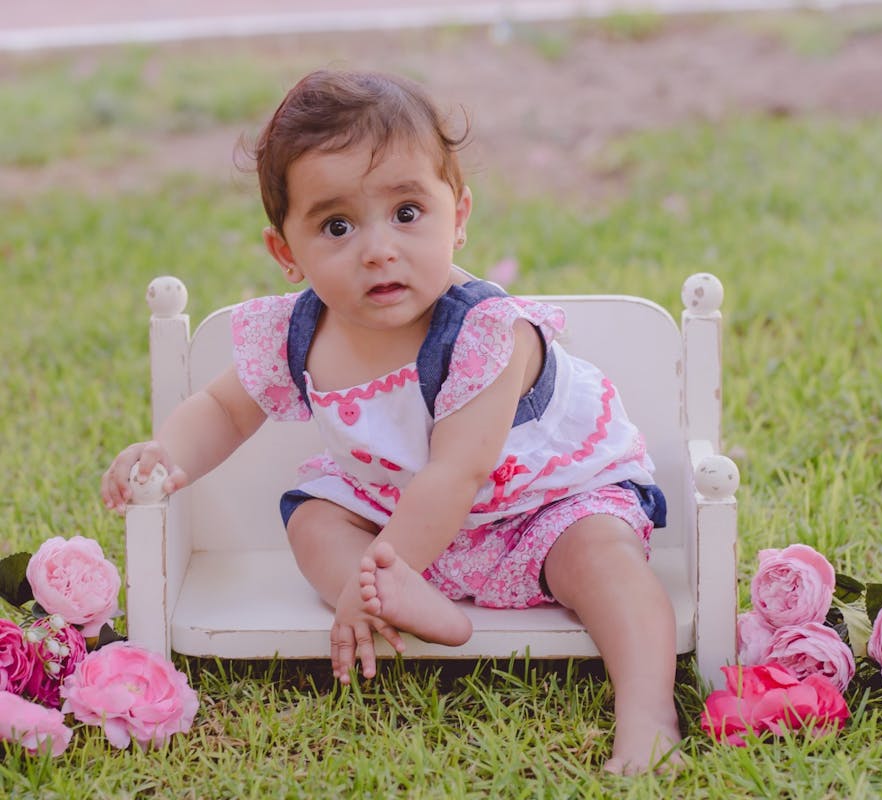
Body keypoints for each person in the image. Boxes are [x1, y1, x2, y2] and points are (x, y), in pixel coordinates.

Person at [101, 69, 681, 774]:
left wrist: (390, 561)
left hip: (545, 502)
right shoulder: (297, 332)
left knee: (604, 559)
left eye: (407, 213)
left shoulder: (487, 333)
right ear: (287, 252)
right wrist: (165, 453)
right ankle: (397, 596)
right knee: (314, 520)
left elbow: (459, 469)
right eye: (337, 226)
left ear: (458, 215)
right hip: (408, 511)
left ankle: (647, 715)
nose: (378, 248)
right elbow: (224, 408)